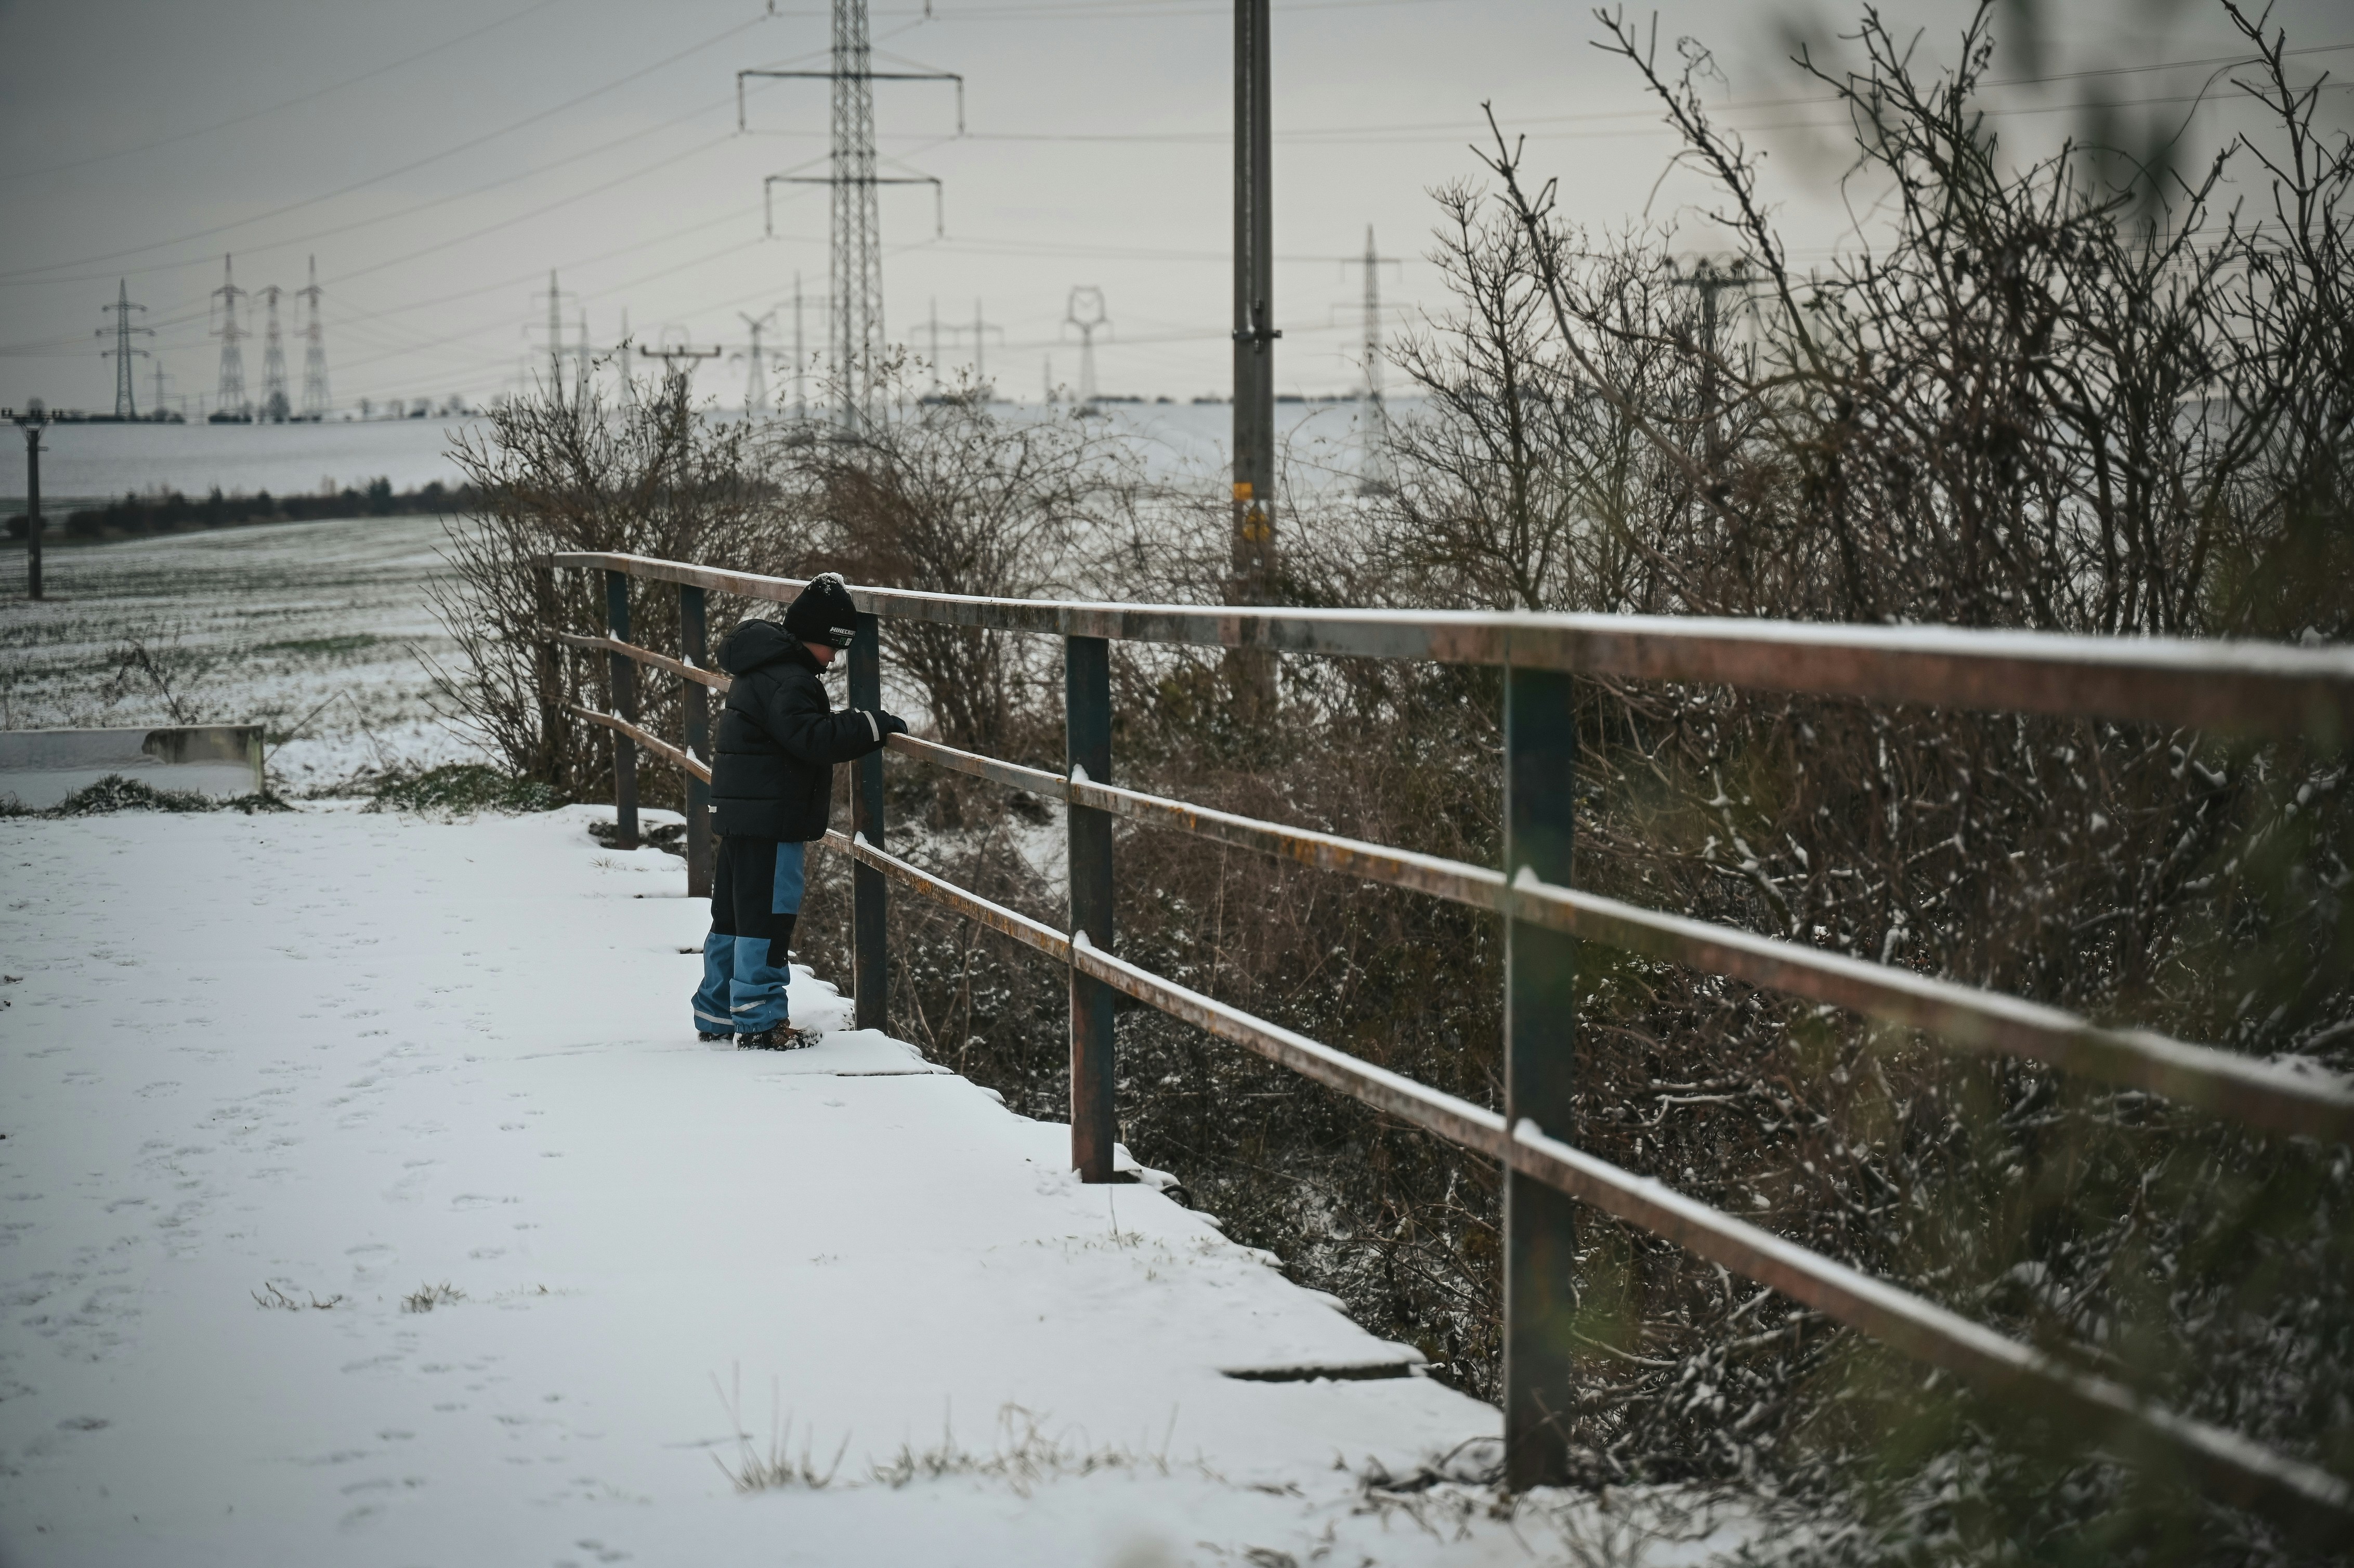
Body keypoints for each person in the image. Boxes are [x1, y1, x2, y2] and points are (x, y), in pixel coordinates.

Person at [691, 572, 907, 1048]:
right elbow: (813, 738)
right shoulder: (793, 681)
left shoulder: (761, 668)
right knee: (769, 916)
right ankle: (762, 1022)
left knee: (732, 914)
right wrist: (871, 725)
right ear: (818, 638)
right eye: (836, 647)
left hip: (744, 814)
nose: (834, 660)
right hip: (772, 819)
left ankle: (717, 1010)